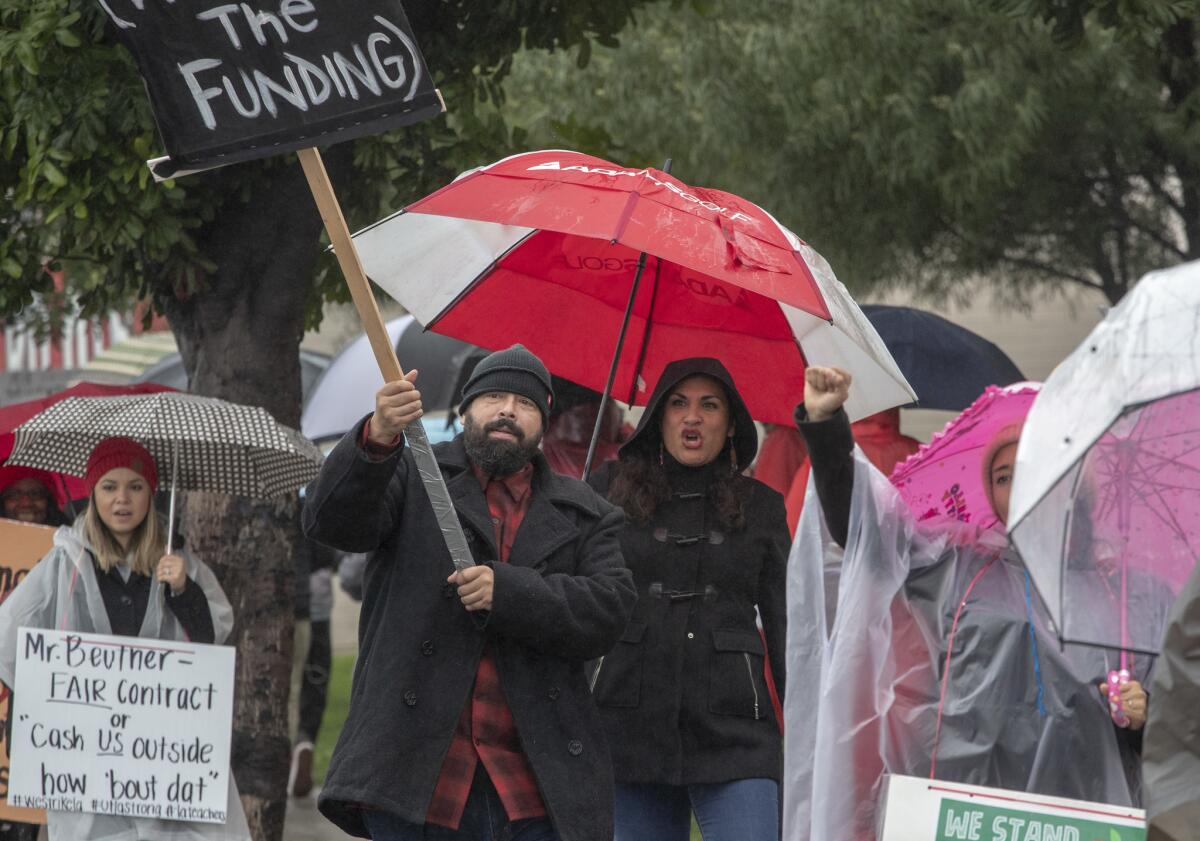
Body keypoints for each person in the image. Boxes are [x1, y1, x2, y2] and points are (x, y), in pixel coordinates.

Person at [786, 367, 1140, 841]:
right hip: (963, 805)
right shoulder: (957, 564)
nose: (1019, 487)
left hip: (1078, 812)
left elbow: (1166, 728)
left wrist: (1141, 715)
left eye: (1033, 467)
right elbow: (865, 531)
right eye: (1003, 476)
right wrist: (827, 427)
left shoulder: (1115, 593)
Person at [303, 344, 636, 841]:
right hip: (416, 776)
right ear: (465, 412)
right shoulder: (410, 473)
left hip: (531, 787)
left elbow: (608, 609)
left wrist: (510, 591)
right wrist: (375, 439)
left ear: (542, 425)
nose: (507, 410)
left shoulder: (587, 512)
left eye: (524, 404)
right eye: (494, 396)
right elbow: (333, 522)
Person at [0, 437, 250, 840]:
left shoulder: (177, 560)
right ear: (93, 493)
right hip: (87, 753)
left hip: (164, 752)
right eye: (110, 486)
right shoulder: (66, 561)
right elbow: (11, 637)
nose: (122, 499)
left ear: (151, 495)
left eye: (135, 486)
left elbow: (210, 644)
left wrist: (185, 591)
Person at [588, 358, 790, 841]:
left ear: (730, 422)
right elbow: (577, 605)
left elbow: (786, 625)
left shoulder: (763, 507)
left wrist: (806, 727)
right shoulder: (606, 492)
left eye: (709, 405)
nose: (692, 416)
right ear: (659, 417)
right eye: (678, 403)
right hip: (626, 724)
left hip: (737, 728)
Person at [0, 466, 70, 527]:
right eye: (14, 494)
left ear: (49, 501)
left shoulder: (68, 539)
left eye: (36, 493)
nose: (26, 503)